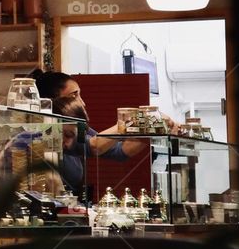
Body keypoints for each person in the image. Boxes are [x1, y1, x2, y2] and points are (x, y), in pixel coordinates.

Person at [31, 68, 174, 197]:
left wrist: (153, 128)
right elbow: (94, 145)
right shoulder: (47, 131)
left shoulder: (76, 128)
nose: (82, 102)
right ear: (52, 101)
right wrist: (134, 120)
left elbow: (122, 150)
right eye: (74, 95)